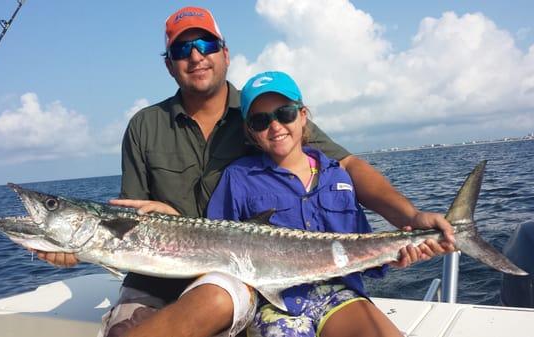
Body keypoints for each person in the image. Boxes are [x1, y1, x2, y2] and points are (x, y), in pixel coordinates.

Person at [34, 6, 455, 337]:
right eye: (182, 49)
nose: (196, 56)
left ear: (225, 52)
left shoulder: (262, 111)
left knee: (218, 300)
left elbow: (346, 165)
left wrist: (409, 217)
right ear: (169, 64)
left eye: (206, 44)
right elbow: (125, 223)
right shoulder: (144, 126)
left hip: (241, 272)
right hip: (157, 277)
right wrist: (76, 248)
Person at [207, 70, 403, 337]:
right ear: (250, 131)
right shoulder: (238, 178)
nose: (275, 126)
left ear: (302, 115)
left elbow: (361, 247)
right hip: (271, 302)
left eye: (284, 113)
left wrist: (396, 255)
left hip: (338, 294)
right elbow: (213, 245)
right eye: (260, 121)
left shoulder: (337, 175)